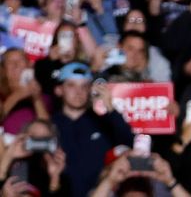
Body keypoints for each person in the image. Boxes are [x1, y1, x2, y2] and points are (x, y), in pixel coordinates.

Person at [49, 63, 134, 197]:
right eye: (71, 85)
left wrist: (110, 106)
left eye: (84, 86)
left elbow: (130, 144)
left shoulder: (103, 123)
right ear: (59, 90)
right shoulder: (50, 125)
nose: (79, 91)